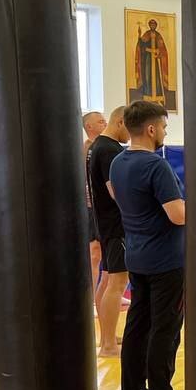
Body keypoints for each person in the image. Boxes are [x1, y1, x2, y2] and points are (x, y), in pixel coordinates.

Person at [108, 100, 185, 390]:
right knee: (165, 327)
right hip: (166, 260)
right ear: (151, 129)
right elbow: (178, 215)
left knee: (138, 325)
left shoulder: (118, 162)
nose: (165, 132)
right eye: (164, 127)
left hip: (137, 255)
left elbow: (116, 195)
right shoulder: (156, 166)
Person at [88, 107, 130, 358]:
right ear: (121, 122)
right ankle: (108, 346)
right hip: (115, 224)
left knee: (107, 279)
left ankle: (108, 337)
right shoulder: (109, 150)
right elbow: (115, 190)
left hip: (105, 223)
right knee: (118, 281)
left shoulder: (98, 147)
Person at [83, 110, 106, 297]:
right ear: (89, 126)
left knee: (108, 252)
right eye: (100, 121)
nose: (105, 123)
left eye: (105, 120)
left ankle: (107, 290)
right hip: (91, 207)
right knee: (95, 252)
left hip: (105, 207)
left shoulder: (106, 147)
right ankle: (90, 295)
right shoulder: (85, 149)